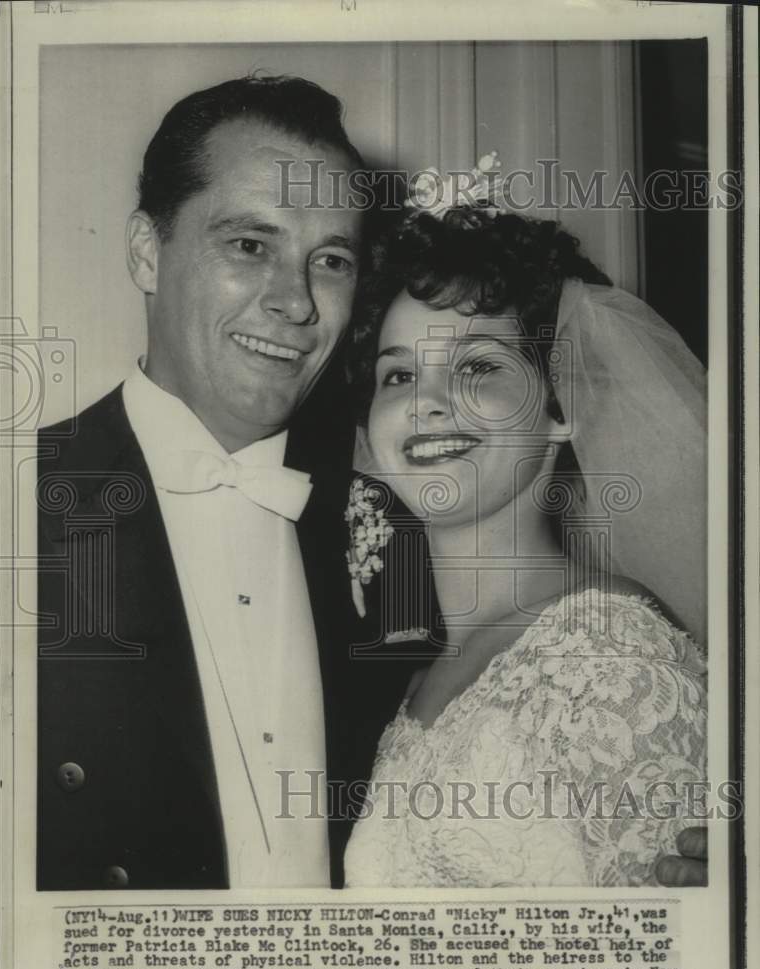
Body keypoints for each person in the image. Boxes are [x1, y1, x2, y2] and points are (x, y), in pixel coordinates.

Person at [36, 74, 418, 891]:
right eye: (250, 245)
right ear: (147, 251)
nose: (296, 302)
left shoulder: (389, 530)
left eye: (331, 260)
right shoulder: (21, 504)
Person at [342, 181, 708, 887]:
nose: (425, 402)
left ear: (561, 405)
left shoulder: (609, 659)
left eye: (478, 366)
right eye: (398, 374)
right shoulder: (421, 676)